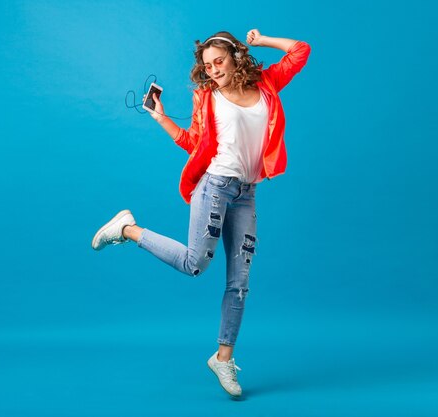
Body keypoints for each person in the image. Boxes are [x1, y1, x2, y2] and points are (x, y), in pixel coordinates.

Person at [91, 29, 310, 397]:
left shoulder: (267, 82)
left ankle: (223, 359)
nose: (213, 70)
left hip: (246, 192)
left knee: (239, 283)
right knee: (195, 264)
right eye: (207, 65)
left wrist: (260, 41)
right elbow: (195, 142)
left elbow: (301, 50)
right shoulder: (207, 97)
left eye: (219, 61)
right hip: (215, 187)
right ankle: (127, 229)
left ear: (235, 56)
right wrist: (162, 118)